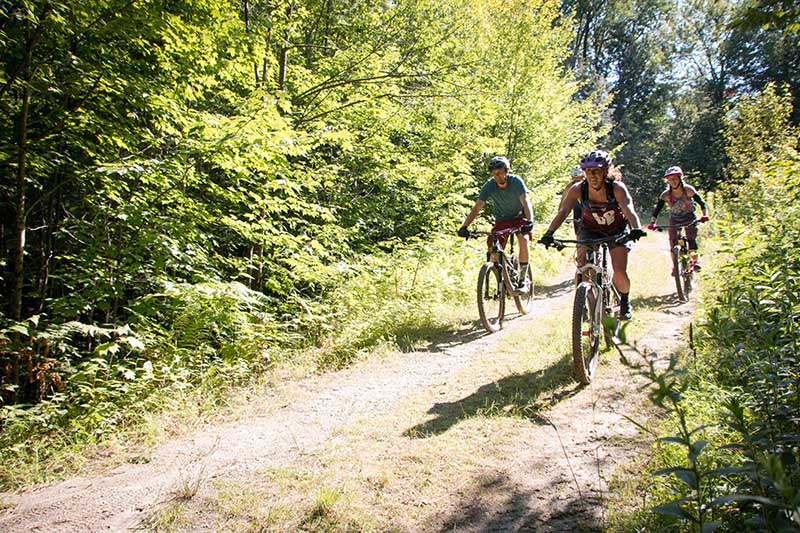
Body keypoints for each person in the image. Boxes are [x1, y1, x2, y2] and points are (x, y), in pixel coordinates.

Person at [539, 150, 646, 320]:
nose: (591, 175)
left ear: (605, 171)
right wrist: (549, 233)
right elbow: (564, 211)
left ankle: (625, 301)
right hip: (590, 228)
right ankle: (581, 303)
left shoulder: (616, 188)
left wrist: (636, 228)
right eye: (587, 171)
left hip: (616, 230)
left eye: (596, 170)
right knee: (582, 266)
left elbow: (628, 208)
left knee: (619, 269)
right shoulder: (578, 189)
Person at [457, 156, 534, 294]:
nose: (496, 177)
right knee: (493, 247)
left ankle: (522, 280)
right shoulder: (489, 185)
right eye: (493, 174)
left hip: (519, 217)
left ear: (506, 171)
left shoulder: (516, 182)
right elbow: (477, 207)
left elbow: (526, 202)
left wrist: (530, 221)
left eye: (499, 173)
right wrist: (464, 226)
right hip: (502, 220)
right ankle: (503, 275)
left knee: (523, 240)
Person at [647, 166, 709, 270]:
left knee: (691, 239)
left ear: (680, 179)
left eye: (675, 178)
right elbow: (657, 210)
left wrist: (705, 215)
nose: (673, 181)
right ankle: (675, 267)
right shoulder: (665, 195)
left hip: (689, 217)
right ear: (667, 181)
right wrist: (652, 222)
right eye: (670, 180)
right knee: (673, 242)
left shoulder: (689, 190)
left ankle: (695, 262)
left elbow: (702, 203)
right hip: (675, 219)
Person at [559, 165, 584, 236]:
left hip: (589, 210)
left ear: (583, 177)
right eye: (574, 180)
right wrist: (560, 215)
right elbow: (563, 200)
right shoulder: (570, 186)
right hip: (577, 211)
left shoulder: (588, 185)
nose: (576, 182)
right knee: (578, 235)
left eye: (578, 180)